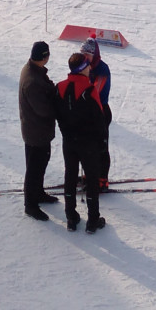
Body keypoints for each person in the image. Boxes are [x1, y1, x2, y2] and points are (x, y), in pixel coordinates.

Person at [56, 53, 112, 233]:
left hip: (69, 142)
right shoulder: (89, 89)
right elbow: (99, 119)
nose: (90, 69)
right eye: (87, 66)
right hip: (88, 144)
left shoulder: (59, 87)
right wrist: (102, 141)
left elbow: (57, 113)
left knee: (70, 176)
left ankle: (71, 217)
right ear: (82, 69)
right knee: (92, 180)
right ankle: (93, 220)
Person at [18, 41, 62, 220]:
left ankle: (38, 193)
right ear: (45, 57)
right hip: (36, 132)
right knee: (34, 168)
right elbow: (44, 109)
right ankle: (30, 204)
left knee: (39, 165)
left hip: (35, 130)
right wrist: (60, 107)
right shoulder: (33, 81)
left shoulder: (33, 70)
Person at [80, 37, 114, 191]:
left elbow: (95, 91)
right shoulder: (83, 66)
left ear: (95, 54)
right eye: (83, 53)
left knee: (101, 146)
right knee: (88, 147)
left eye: (88, 54)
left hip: (101, 111)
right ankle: (90, 174)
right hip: (88, 113)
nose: (85, 57)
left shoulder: (102, 69)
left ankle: (102, 178)